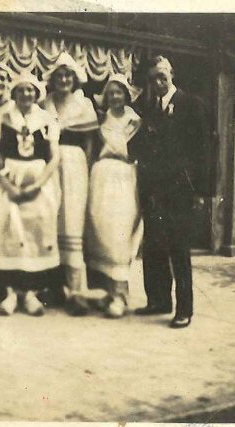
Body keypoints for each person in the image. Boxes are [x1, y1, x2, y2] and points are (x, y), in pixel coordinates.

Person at [130, 55, 208, 328]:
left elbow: (203, 151)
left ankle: (183, 309)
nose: (159, 82)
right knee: (153, 245)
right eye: (153, 79)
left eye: (163, 76)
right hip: (153, 187)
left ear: (172, 74)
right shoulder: (147, 106)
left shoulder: (191, 104)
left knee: (178, 248)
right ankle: (158, 300)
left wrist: (201, 191)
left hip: (180, 188)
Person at [0, 70, 62, 316]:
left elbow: (54, 157)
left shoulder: (47, 119)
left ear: (37, 94)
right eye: (21, 90)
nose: (26, 94)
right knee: (10, 231)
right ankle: (9, 294)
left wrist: (38, 184)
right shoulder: (3, 118)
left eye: (30, 90)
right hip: (10, 179)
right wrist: (7, 184)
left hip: (38, 180)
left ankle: (31, 294)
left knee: (36, 232)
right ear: (14, 93)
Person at [41, 52, 99, 316]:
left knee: (72, 221)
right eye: (59, 75)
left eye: (68, 75)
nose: (63, 79)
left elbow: (89, 142)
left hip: (75, 164)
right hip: (49, 165)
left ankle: (76, 291)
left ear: (75, 79)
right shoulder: (45, 103)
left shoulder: (83, 104)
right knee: (51, 218)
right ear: (52, 79)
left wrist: (85, 170)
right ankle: (53, 288)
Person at [86, 74, 145, 318]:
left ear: (127, 95)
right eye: (111, 93)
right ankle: (108, 293)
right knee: (101, 231)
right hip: (102, 176)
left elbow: (139, 153)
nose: (115, 97)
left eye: (119, 92)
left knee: (120, 233)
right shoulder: (101, 120)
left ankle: (121, 294)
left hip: (124, 177)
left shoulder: (135, 121)